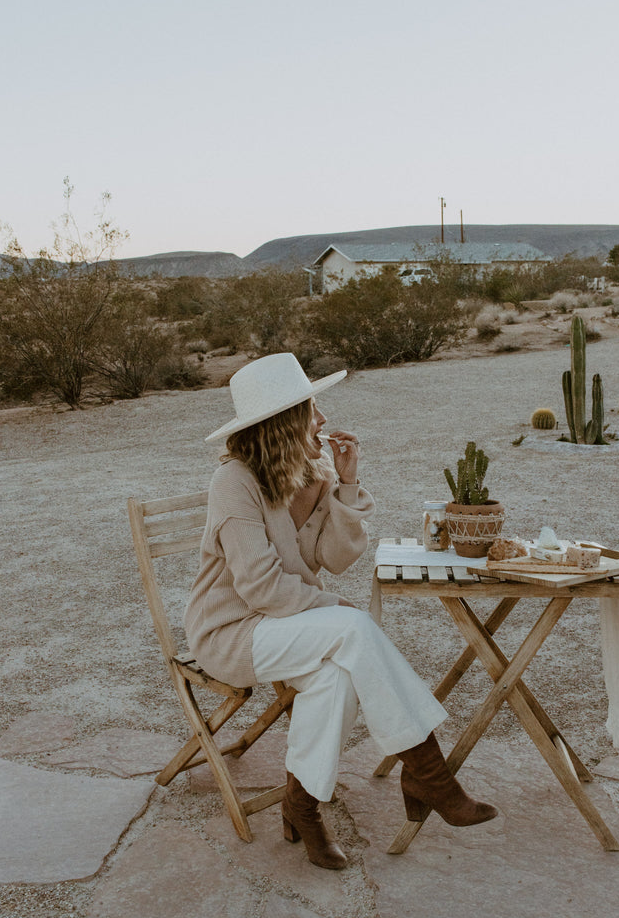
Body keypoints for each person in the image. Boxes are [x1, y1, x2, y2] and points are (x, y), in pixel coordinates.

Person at [185, 353, 497, 870]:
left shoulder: (313, 471)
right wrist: (332, 606)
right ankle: (430, 776)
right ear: (281, 423)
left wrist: (346, 485)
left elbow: (335, 558)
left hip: (289, 622)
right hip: (232, 632)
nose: (323, 420)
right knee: (352, 630)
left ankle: (302, 807)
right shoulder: (234, 483)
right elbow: (261, 587)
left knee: (339, 677)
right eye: (312, 409)